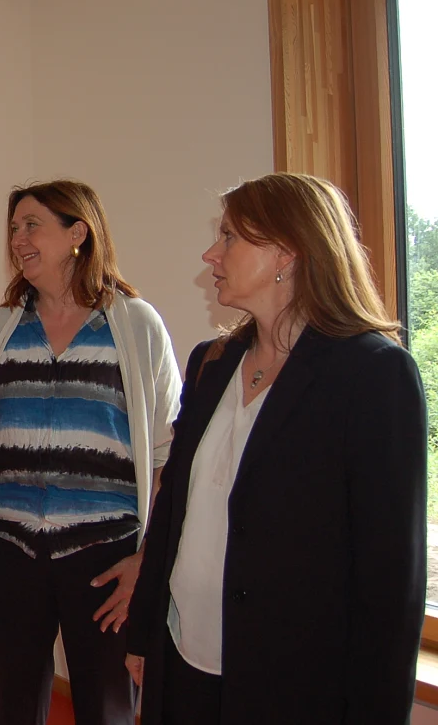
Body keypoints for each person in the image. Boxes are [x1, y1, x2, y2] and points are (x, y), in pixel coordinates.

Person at [125, 172, 427, 725]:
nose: (211, 254)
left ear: (287, 250)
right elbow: (173, 512)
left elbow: (390, 575)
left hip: (291, 682)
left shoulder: (373, 374)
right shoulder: (211, 363)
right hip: (183, 660)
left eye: (231, 237)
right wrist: (144, 631)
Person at [0, 179, 182, 725]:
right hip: (11, 554)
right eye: (13, 228)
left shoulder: (134, 324)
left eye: (32, 224)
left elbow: (169, 455)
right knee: (16, 706)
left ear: (78, 232)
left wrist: (147, 561)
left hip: (105, 558)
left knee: (106, 708)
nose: (18, 238)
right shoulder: (1, 328)